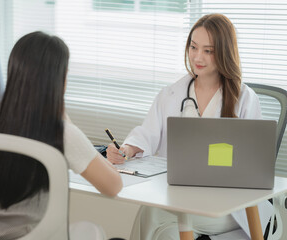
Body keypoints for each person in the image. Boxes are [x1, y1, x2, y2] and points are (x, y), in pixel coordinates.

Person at [106, 14, 272, 239]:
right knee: (168, 233)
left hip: (228, 206)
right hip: (181, 197)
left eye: (208, 50)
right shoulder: (171, 94)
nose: (197, 57)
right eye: (193, 47)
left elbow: (254, 162)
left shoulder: (244, 98)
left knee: (152, 213)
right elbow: (147, 134)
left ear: (224, 52)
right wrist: (126, 150)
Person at [0, 31, 123, 239]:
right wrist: (64, 117)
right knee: (93, 231)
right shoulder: (62, 133)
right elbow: (113, 186)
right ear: (59, 79)